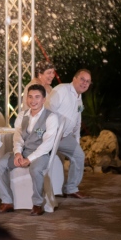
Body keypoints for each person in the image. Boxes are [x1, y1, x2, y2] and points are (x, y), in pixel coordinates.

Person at [0, 85, 60, 216]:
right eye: (30, 97)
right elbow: (18, 136)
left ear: (43, 99)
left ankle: (37, 204)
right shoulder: (22, 115)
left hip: (40, 154)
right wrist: (18, 153)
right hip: (23, 151)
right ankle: (7, 202)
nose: (33, 100)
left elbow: (47, 144)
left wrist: (29, 159)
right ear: (26, 99)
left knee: (35, 169)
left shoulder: (51, 117)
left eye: (37, 97)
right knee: (0, 164)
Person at [46, 69, 91, 199]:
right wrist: (52, 131)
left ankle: (71, 189)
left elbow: (78, 122)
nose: (84, 83)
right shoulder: (61, 90)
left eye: (87, 81)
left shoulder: (79, 99)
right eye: (82, 79)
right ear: (74, 78)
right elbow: (47, 110)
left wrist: (76, 141)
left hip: (65, 137)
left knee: (78, 156)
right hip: (50, 134)